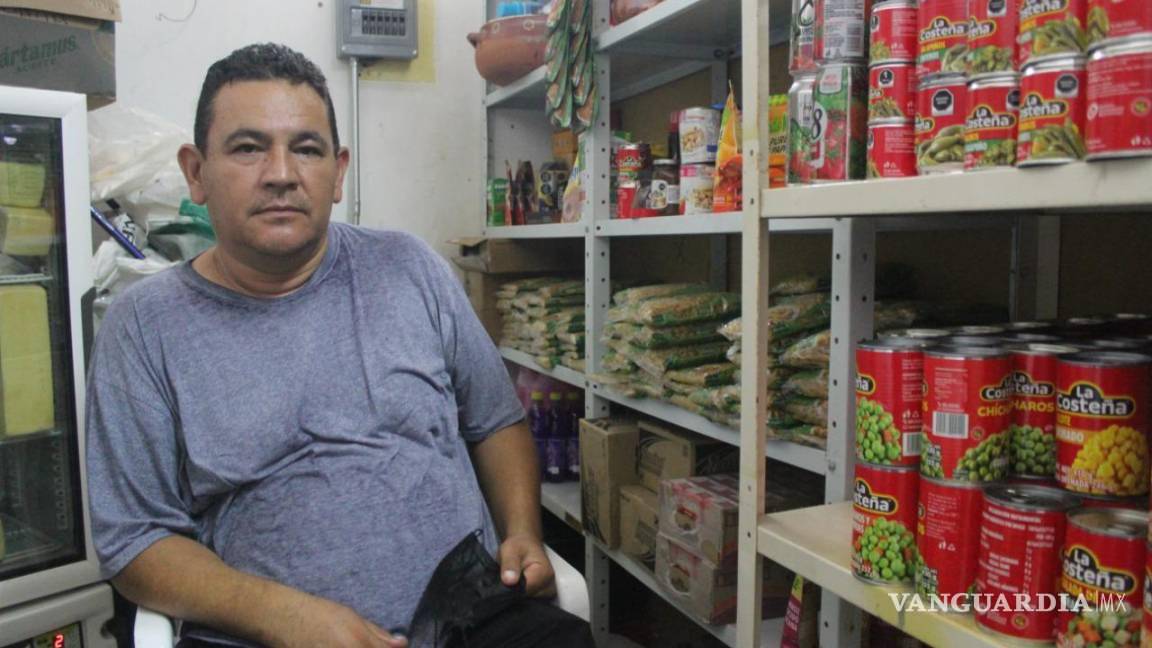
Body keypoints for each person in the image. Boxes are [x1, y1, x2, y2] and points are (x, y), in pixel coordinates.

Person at [85, 43, 593, 648]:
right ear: (196, 172)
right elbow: (135, 540)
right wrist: (285, 617)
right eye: (248, 148)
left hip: (471, 616)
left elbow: (496, 421)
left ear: (338, 171)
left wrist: (523, 532)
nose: (281, 173)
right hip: (261, 636)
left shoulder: (410, 269)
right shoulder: (144, 327)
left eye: (306, 148)